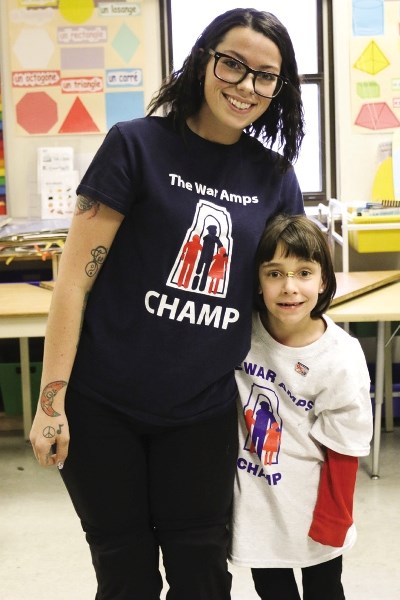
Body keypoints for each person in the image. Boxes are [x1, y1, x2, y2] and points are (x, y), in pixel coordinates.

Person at [29, 8, 305, 600]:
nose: (246, 86)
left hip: (202, 411)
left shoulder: (274, 177)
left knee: (201, 573)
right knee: (124, 572)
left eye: (265, 76)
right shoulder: (135, 145)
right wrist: (51, 402)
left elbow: (285, 295)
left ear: (279, 89)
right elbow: (73, 283)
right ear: (203, 59)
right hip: (103, 406)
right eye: (232, 64)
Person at [230, 214, 373, 600]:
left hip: (315, 507)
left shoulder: (340, 356)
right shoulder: (239, 332)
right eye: (274, 273)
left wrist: (333, 518)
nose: (289, 287)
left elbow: (346, 447)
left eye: (304, 272)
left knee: (325, 590)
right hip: (257, 506)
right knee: (271, 590)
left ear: (323, 279)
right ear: (258, 281)